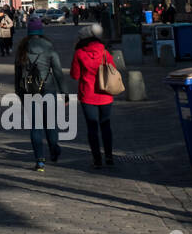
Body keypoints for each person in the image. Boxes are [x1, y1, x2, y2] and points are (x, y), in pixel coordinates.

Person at [15, 20, 66, 171]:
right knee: (50, 123)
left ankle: (40, 160)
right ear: (41, 31)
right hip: (47, 88)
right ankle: (54, 150)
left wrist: (18, 92)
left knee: (35, 127)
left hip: (28, 91)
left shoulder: (22, 49)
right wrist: (65, 93)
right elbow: (57, 72)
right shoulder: (49, 47)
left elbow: (17, 74)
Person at [69, 22, 116, 167]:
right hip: (105, 94)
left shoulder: (79, 53)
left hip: (88, 95)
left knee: (92, 128)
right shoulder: (105, 52)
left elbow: (75, 75)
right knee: (106, 125)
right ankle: (109, 156)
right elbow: (113, 70)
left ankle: (97, 159)